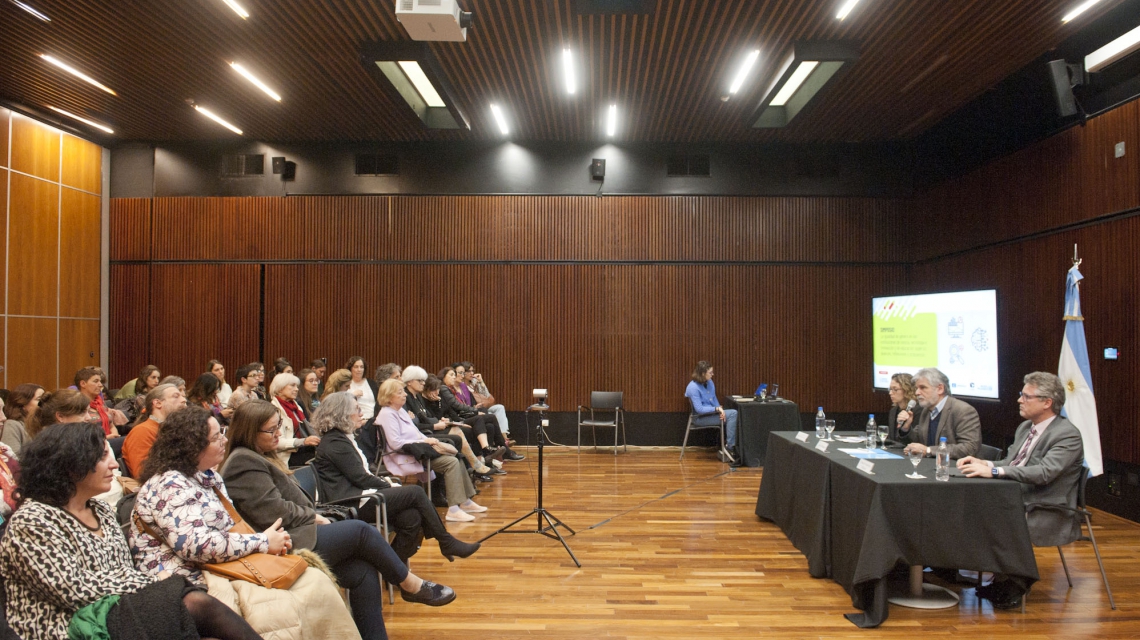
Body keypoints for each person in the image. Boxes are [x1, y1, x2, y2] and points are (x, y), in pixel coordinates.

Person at [221, 401, 464, 639]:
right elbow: (272, 511)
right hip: (283, 543)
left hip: (298, 531)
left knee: (363, 572)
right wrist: (313, 516)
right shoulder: (243, 461)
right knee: (361, 531)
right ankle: (410, 585)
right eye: (271, 429)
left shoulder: (258, 456)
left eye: (278, 426)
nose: (278, 434)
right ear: (250, 431)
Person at [0, 422, 261, 640]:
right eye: (102, 457)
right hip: (65, 627)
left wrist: (149, 583)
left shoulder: (100, 510)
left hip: (113, 611)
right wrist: (151, 581)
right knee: (194, 602)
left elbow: (121, 572)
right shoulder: (33, 520)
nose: (114, 465)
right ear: (70, 465)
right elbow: (72, 590)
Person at [127, 407, 368, 639]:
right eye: (215, 437)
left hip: (222, 564)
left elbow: (228, 530)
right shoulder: (169, 484)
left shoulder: (206, 476)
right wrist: (262, 541)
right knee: (306, 590)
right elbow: (197, 546)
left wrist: (263, 540)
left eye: (222, 433)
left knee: (339, 576)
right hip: (190, 580)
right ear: (191, 446)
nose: (224, 440)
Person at [956, 372, 1085, 608]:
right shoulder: (1026, 427)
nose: (1019, 400)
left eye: (1026, 396)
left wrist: (995, 472)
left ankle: (1016, 579)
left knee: (982, 514)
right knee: (963, 505)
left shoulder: (1067, 434)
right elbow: (1012, 463)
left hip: (1044, 505)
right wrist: (986, 463)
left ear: (1047, 402)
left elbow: (1044, 473)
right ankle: (960, 569)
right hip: (1015, 497)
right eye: (1021, 394)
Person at [375, 380, 486, 522]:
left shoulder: (400, 411)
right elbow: (395, 443)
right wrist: (424, 442)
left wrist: (428, 439)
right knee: (451, 462)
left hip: (417, 452)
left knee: (457, 457)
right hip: (405, 456)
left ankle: (466, 502)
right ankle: (453, 510)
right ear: (389, 396)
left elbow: (416, 433)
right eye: (400, 392)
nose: (405, 394)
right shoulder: (387, 414)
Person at [403, 367, 491, 479]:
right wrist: (434, 425)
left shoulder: (417, 397)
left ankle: (471, 468)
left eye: (423, 381)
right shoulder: (407, 398)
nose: (423, 383)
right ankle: (472, 467)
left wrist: (438, 421)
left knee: (472, 428)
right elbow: (414, 425)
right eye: (420, 380)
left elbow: (427, 417)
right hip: (421, 435)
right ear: (409, 382)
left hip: (429, 429)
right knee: (458, 436)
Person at [440, 366, 517, 465]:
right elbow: (456, 406)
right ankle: (499, 449)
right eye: (452, 375)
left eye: (455, 375)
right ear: (443, 377)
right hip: (456, 420)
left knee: (490, 426)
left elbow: (485, 397)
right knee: (488, 418)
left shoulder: (454, 388)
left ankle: (488, 459)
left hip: (461, 416)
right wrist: (475, 411)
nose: (454, 377)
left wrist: (480, 383)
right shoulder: (444, 388)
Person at [900, 367, 981, 459]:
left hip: (954, 466)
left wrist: (929, 450)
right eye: (916, 388)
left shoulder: (963, 410)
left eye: (923, 387)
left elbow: (969, 448)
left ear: (940, 389)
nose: (917, 392)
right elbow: (918, 441)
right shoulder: (926, 410)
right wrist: (906, 428)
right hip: (930, 464)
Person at [122, 383, 186, 477]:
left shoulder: (178, 430)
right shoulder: (142, 432)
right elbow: (143, 474)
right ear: (158, 403)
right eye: (176, 396)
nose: (184, 400)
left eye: (183, 396)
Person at [684, 360, 738, 463]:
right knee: (733, 414)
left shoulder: (709, 382)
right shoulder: (692, 387)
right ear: (703, 373)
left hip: (711, 414)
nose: (713, 374)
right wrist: (716, 409)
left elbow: (714, 399)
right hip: (699, 418)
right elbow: (699, 409)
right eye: (710, 372)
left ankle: (728, 447)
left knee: (729, 414)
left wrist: (721, 412)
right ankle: (730, 448)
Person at [269, 373, 321, 467]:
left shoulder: (296, 406)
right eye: (292, 386)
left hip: (304, 451)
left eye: (297, 386)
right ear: (280, 389)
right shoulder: (273, 409)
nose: (297, 389)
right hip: (288, 457)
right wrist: (303, 441)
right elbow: (277, 442)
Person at [459, 361, 511, 443]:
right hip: (475, 409)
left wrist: (481, 381)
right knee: (489, 416)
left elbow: (487, 395)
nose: (472, 373)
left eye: (473, 371)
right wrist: (474, 407)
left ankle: (504, 436)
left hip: (484, 407)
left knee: (500, 407)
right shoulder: (461, 385)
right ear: (463, 373)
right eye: (469, 371)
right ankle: (502, 440)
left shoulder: (474, 382)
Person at [77, 367, 127, 437]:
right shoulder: (76, 405)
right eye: (96, 381)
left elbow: (111, 425)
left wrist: (114, 435)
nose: (100, 385)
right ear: (83, 384)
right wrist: (106, 438)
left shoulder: (100, 402)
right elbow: (79, 434)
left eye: (100, 381)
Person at [24, 388, 91, 440]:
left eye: (88, 411)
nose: (89, 418)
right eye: (82, 413)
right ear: (60, 416)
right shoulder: (49, 447)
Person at [1, 383, 43, 454]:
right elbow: (12, 457)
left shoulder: (42, 424)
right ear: (23, 403)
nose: (44, 403)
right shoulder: (12, 425)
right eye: (39, 399)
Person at [886, 373, 919, 441]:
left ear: (907, 390)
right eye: (890, 389)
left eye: (895, 389)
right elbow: (892, 439)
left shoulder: (918, 410)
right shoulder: (893, 411)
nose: (890, 393)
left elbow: (917, 439)